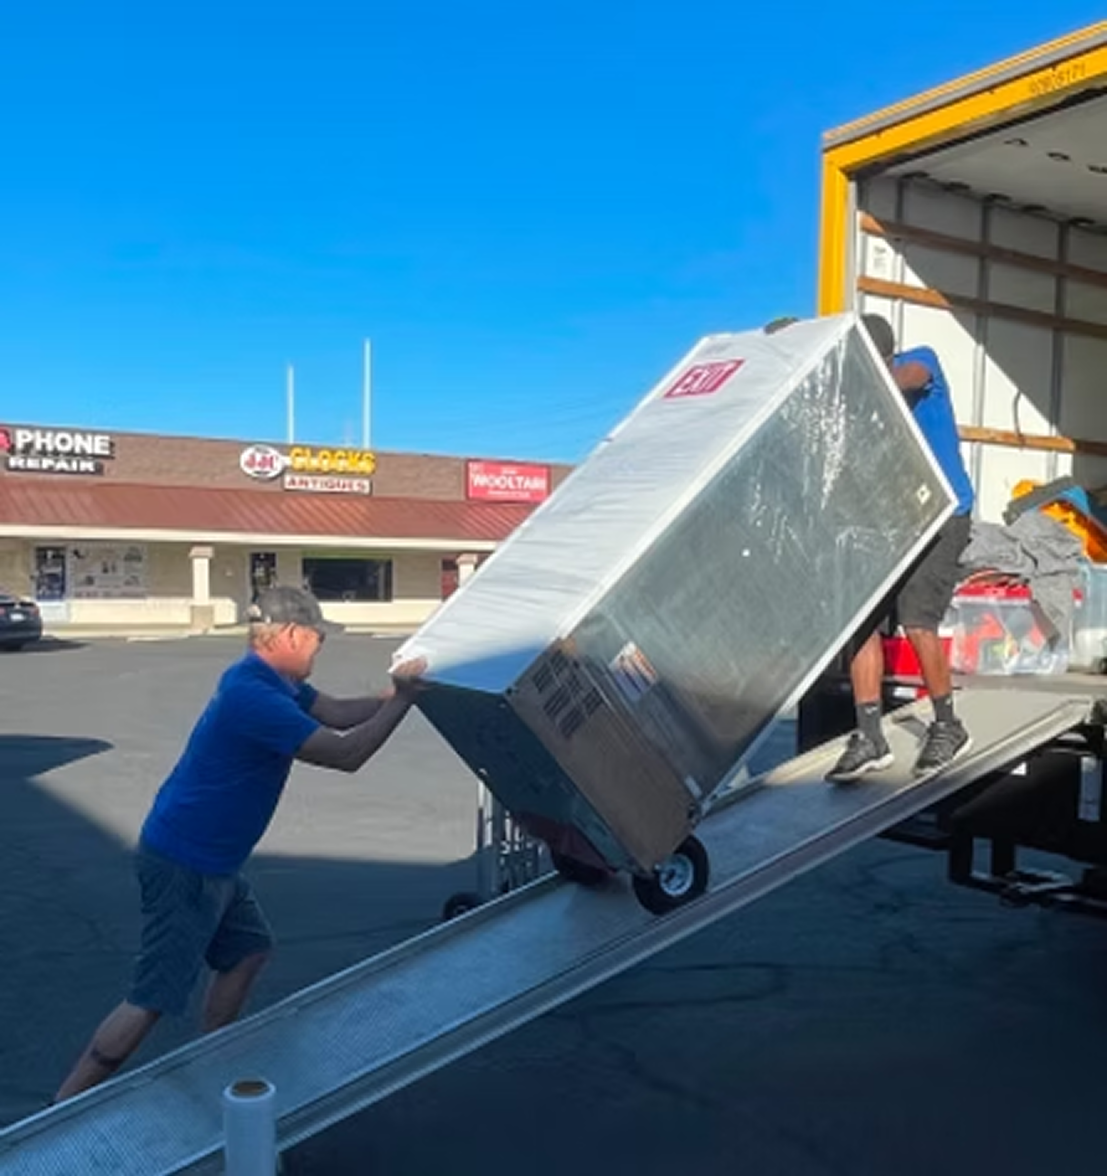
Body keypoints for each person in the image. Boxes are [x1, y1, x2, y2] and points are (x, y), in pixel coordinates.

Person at [54, 585, 427, 1102]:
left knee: (248, 951)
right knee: (153, 996)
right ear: (292, 635)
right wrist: (405, 703)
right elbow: (347, 753)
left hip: (214, 862)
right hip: (186, 862)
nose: (321, 648)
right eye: (318, 638)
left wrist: (393, 695)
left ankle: (212, 1063)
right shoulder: (255, 697)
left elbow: (339, 713)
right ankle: (61, 1108)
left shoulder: (266, 679)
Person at [766, 312, 975, 781]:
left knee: (918, 620)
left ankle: (948, 725)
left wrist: (854, 366)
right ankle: (869, 736)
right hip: (897, 522)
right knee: (860, 623)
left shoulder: (920, 365)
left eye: (871, 359)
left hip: (945, 516)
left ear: (883, 354)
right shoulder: (860, 401)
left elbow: (904, 378)